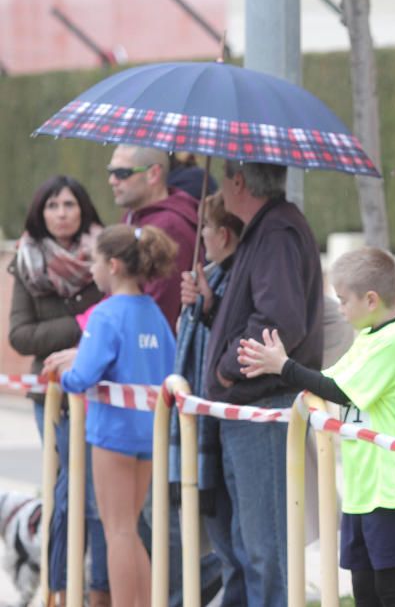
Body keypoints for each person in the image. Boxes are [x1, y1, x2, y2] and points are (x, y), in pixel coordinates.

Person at [237, 247, 395, 607]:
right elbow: (324, 381)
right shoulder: (367, 337)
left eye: (342, 300)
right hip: (361, 488)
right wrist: (277, 365)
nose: (339, 309)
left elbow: (338, 390)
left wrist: (284, 366)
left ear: (370, 299)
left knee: (392, 592)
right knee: (364, 592)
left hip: (391, 487)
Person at [203, 160, 324, 607]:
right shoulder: (268, 229)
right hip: (253, 410)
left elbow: (277, 322)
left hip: (263, 410)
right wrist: (210, 305)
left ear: (239, 181)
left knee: (264, 549)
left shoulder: (276, 232)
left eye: (222, 178)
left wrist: (226, 367)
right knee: (246, 546)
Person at [46, 224, 177, 607]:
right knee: (130, 529)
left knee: (117, 529)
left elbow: (82, 377)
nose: (92, 271)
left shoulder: (104, 315)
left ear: (115, 265)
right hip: (147, 432)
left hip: (113, 433)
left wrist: (62, 374)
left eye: (95, 263)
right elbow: (167, 364)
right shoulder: (153, 312)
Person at [8, 176, 109, 606]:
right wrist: (82, 324)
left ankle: (97, 587)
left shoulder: (108, 254)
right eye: (52, 205)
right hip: (52, 400)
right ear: (40, 212)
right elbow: (20, 336)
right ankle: (61, 587)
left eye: (69, 204)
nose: (62, 212)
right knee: (67, 493)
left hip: (104, 393)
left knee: (99, 496)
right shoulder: (27, 259)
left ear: (83, 208)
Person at [173, 192, 246, 606]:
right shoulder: (215, 275)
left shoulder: (236, 277)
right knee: (223, 545)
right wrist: (197, 305)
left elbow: (228, 339)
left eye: (203, 228)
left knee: (236, 550)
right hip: (206, 426)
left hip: (220, 428)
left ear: (221, 233)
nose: (200, 236)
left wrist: (209, 305)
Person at [107, 144, 199, 328]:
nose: (112, 180)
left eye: (122, 173)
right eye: (110, 172)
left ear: (153, 174)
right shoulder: (132, 215)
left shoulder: (170, 228)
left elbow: (159, 309)